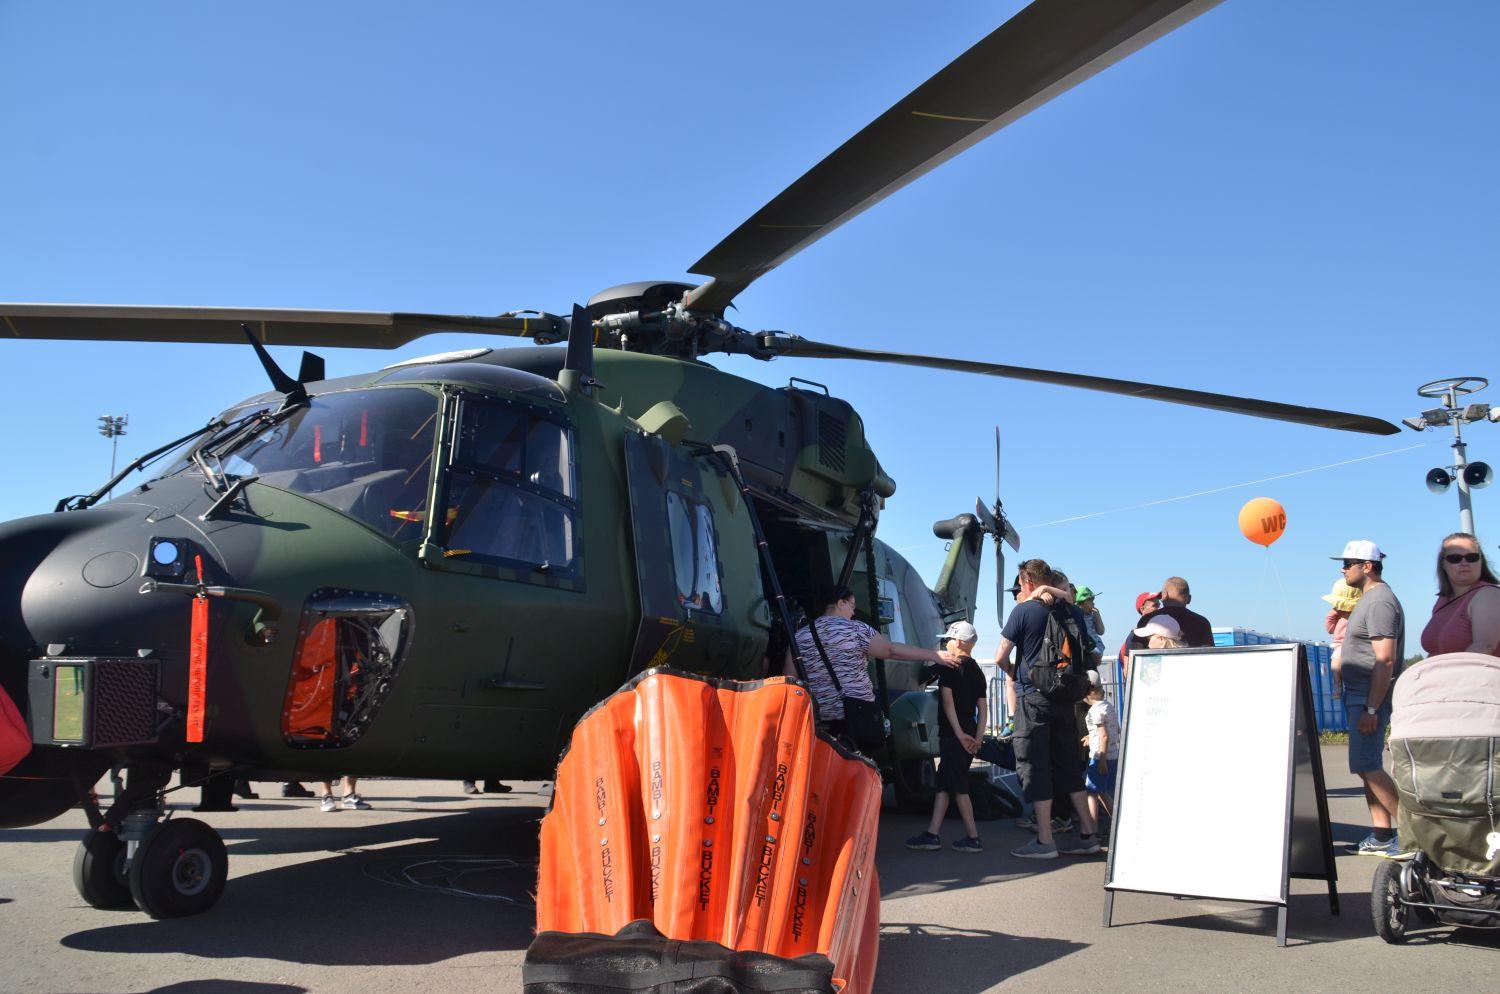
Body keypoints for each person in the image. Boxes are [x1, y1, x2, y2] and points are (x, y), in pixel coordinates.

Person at [993, 558, 1102, 860]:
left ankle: (1045, 840)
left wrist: (1015, 672)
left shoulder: (1024, 610)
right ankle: (1088, 835)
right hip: (1066, 698)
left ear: (1027, 582)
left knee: (1035, 766)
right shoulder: (1073, 612)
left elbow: (1000, 655)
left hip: (1034, 699)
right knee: (1068, 766)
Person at [787, 585, 959, 738]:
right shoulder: (856, 629)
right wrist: (934, 655)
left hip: (817, 719)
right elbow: (891, 650)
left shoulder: (800, 636)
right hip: (854, 717)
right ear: (840, 603)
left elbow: (790, 677)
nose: (853, 613)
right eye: (852, 606)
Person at [1333, 539, 1405, 857]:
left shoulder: (1379, 602)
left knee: (1365, 763)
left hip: (1368, 697)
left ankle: (1418, 836)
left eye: (1348, 563)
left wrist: (1372, 707)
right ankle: (1382, 835)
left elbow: (1385, 659)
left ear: (1368, 566)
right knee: (1366, 766)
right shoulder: (1368, 599)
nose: (1342, 568)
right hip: (1361, 696)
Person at [906, 621, 987, 853]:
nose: (946, 644)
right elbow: (983, 707)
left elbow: (948, 703)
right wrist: (977, 737)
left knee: (959, 786)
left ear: (959, 642)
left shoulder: (948, 668)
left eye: (949, 640)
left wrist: (959, 734)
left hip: (954, 736)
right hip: (969, 733)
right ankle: (932, 833)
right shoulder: (977, 670)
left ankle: (973, 837)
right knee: (944, 784)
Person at [1421, 532, 1500, 657]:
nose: (1464, 563)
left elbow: (1484, 647)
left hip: (1475, 675)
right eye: (1455, 559)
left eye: (1472, 557)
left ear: (1481, 561)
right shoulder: (1443, 601)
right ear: (1443, 564)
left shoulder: (1489, 595)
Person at [1128, 577, 1213, 651]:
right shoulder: (1202, 623)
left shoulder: (1147, 620)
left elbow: (1136, 656)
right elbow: (1209, 655)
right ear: (1189, 599)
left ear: (1164, 595)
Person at [1082, 670, 1120, 825]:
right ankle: (1115, 822)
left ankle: (1091, 826)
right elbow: (1114, 729)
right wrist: (1091, 736)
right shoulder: (1108, 707)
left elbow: (1103, 735)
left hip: (1099, 757)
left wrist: (1102, 759)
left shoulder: (1095, 711)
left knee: (1091, 792)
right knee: (1102, 792)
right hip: (1113, 755)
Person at [1322, 579, 1361, 692]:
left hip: (1355, 644)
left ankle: (1339, 686)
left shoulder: (1359, 613)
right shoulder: (1338, 616)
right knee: (1335, 662)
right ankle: (1337, 685)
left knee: (1336, 661)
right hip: (1340, 644)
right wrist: (1333, 614)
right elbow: (1330, 629)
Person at [1075, 585, 1107, 661]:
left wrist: (1098, 616)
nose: (1093, 604)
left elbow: (1101, 631)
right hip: (1086, 648)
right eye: (1091, 602)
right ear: (1081, 604)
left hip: (1096, 646)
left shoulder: (1092, 615)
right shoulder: (1076, 616)